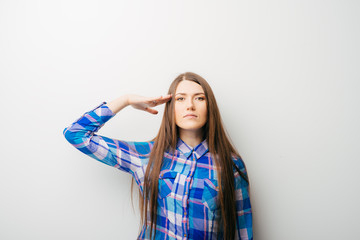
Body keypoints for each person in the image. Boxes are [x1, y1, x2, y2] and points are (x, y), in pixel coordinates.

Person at [63, 72, 253, 239]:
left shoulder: (231, 165)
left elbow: (243, 232)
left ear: (209, 107)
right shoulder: (146, 156)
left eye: (199, 98)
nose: (190, 106)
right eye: (180, 99)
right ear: (170, 107)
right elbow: (76, 134)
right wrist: (126, 100)